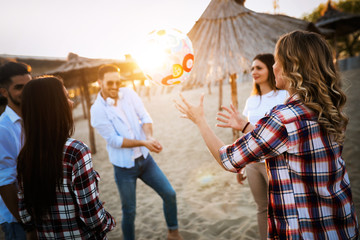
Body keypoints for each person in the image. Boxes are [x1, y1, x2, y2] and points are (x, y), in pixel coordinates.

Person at [175, 30, 358, 239]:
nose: (274, 66)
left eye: (277, 60)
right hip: (342, 227)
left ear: (291, 66)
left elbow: (228, 159)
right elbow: (288, 145)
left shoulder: (284, 118)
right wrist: (245, 126)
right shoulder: (331, 111)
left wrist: (200, 121)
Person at [90, 64, 183, 240]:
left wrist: (149, 138)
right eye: (110, 83)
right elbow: (114, 141)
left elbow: (145, 116)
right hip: (124, 168)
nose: (115, 87)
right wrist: (143, 142)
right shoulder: (96, 110)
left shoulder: (129, 94)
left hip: (146, 161)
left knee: (170, 194)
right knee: (129, 211)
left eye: (118, 82)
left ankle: (173, 233)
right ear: (99, 82)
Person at [17, 76, 116, 239]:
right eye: (67, 98)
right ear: (55, 107)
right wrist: (108, 221)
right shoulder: (76, 151)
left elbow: (26, 216)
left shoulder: (24, 156)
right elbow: (92, 218)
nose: (71, 103)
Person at [226, 53, 288, 240]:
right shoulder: (251, 101)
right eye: (252, 68)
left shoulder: (284, 96)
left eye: (259, 68)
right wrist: (242, 164)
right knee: (262, 208)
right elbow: (248, 135)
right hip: (253, 164)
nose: (254, 72)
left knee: (283, 208)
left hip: (277, 163)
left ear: (271, 69)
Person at [0, 61, 32, 240]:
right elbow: (5, 184)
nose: (26, 92)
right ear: (4, 92)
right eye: (19, 87)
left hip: (37, 214)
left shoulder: (32, 118)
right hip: (16, 221)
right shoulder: (3, 129)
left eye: (29, 86)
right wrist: (27, 226)